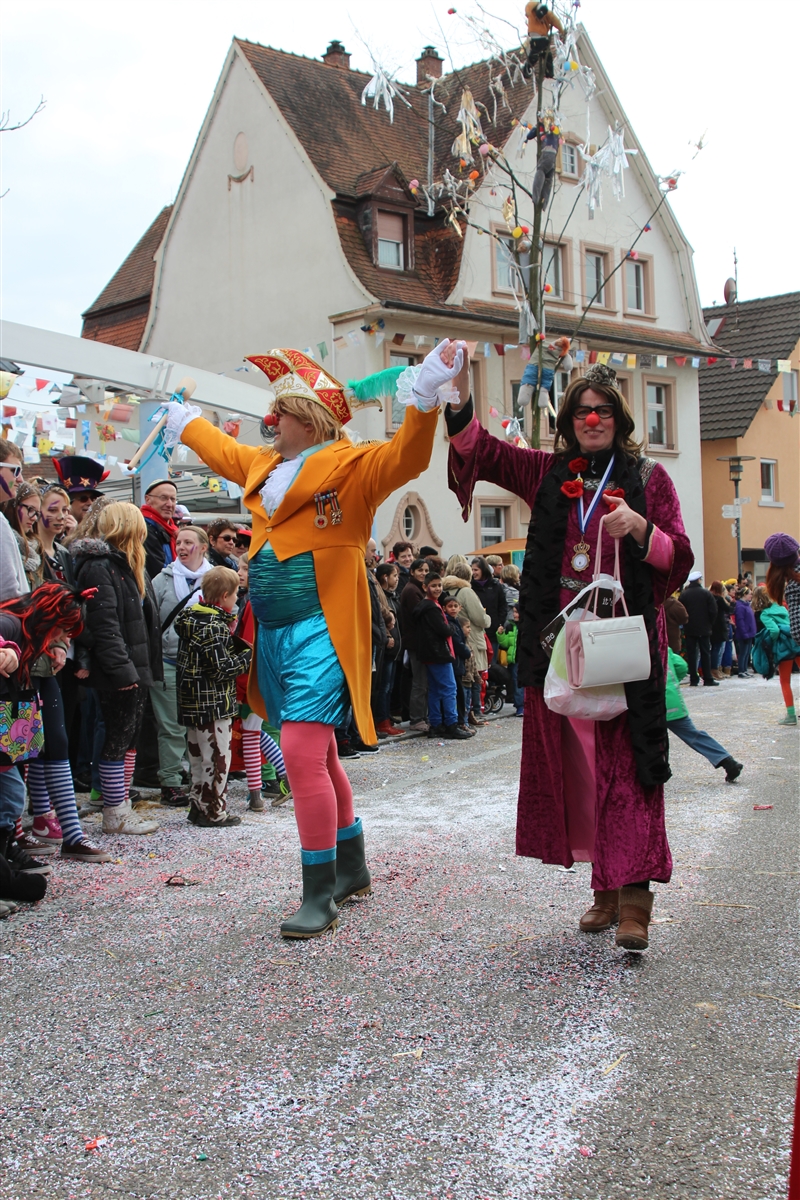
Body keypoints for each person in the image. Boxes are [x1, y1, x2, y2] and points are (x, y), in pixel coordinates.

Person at [163, 340, 464, 936]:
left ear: (310, 419)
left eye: (281, 412)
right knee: (320, 753)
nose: (270, 420)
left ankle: (318, 891)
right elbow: (225, 451)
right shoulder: (265, 465)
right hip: (274, 631)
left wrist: (425, 396)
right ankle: (351, 869)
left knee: (301, 753)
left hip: (324, 627)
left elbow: (407, 457)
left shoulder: (352, 465)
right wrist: (187, 423)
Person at [446, 361, 693, 951]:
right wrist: (457, 398)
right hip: (561, 647)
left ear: (618, 419)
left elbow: (680, 558)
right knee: (581, 768)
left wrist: (642, 529)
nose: (592, 420)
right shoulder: (548, 472)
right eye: (582, 411)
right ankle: (604, 891)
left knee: (628, 769)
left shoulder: (650, 477)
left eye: (602, 410)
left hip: (627, 646)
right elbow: (487, 452)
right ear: (569, 421)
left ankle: (635, 905)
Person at [0, 582, 110, 864]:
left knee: (45, 748)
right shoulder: (12, 623)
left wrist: (57, 643)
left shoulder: (35, 631)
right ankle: (11, 840)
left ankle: (68, 834)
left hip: (27, 684)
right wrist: (6, 650)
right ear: (49, 619)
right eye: (62, 630)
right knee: (13, 771)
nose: (64, 638)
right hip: (13, 694)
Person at [73, 502, 162, 836]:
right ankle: (114, 812)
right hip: (120, 670)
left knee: (128, 740)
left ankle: (122, 805)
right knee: (116, 740)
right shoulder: (101, 566)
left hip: (135, 666)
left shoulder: (127, 564)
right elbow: (104, 625)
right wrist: (123, 671)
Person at [174, 566, 252, 826]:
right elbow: (222, 669)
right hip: (214, 703)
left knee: (197, 758)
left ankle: (197, 805)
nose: (237, 599)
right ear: (225, 596)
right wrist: (248, 656)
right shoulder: (214, 626)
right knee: (217, 759)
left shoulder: (191, 618)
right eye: (235, 595)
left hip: (191, 701)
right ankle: (213, 811)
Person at [151, 525, 212, 807]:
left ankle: (196, 777)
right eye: (179, 542)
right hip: (168, 660)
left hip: (201, 665)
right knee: (171, 726)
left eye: (189, 542)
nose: (182, 547)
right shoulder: (162, 579)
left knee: (197, 725)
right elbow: (150, 618)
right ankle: (171, 782)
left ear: (203, 547)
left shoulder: (214, 578)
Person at [232, 554, 291, 810]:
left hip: (253, 679)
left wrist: (242, 683)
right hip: (266, 677)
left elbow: (249, 647)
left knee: (250, 733)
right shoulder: (273, 598)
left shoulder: (255, 602)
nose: (240, 573)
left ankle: (258, 792)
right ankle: (278, 780)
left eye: (245, 568)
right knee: (254, 732)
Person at [666, 649, 743, 781]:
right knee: (694, 735)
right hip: (673, 702)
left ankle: (655, 773)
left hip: (648, 705)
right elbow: (681, 666)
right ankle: (727, 761)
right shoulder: (663, 648)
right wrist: (671, 684)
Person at [413, 574, 471, 740]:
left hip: (429, 653)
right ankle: (451, 724)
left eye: (439, 585)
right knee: (449, 688)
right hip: (439, 653)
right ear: (425, 587)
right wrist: (452, 628)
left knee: (435, 690)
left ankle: (436, 724)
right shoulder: (432, 608)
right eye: (434, 585)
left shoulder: (424, 606)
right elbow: (443, 630)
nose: (438, 588)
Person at [441, 560, 491, 726]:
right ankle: (472, 713)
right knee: (473, 678)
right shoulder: (466, 592)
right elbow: (480, 618)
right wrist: (488, 619)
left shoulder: (445, 589)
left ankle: (462, 715)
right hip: (471, 639)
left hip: (455, 640)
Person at [762, 533, 800, 725]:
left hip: (786, 646)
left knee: (785, 680)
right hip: (794, 645)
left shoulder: (793, 586)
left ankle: (791, 715)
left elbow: (797, 629)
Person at [399, 557, 432, 732]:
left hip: (419, 641)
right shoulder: (412, 590)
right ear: (412, 572)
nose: (423, 573)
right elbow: (420, 615)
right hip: (416, 642)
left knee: (423, 681)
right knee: (419, 682)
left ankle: (422, 716)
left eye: (426, 571)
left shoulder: (418, 588)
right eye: (420, 570)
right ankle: (417, 718)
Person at [374, 561, 403, 737]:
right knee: (383, 686)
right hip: (386, 647)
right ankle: (381, 720)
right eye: (394, 576)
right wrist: (388, 636)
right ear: (385, 577)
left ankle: (386, 716)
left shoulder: (393, 596)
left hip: (395, 649)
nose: (397, 579)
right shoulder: (381, 595)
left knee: (389, 686)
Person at [1, 482, 43, 587]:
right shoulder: (3, 544)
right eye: (30, 509)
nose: (34, 518)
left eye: (37, 513)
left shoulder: (36, 548)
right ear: (13, 506)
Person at [443, 594, 474, 734]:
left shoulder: (456, 622)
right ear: (444, 608)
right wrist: (467, 653)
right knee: (458, 694)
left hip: (458, 664)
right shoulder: (451, 624)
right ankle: (460, 722)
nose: (453, 609)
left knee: (461, 694)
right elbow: (457, 643)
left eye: (455, 606)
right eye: (450, 606)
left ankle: (462, 721)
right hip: (455, 663)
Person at [680, 571, 718, 688]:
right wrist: (710, 623)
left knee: (692, 654)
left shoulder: (684, 595)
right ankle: (708, 678)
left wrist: (685, 623)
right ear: (699, 580)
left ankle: (693, 678)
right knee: (705, 653)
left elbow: (681, 610)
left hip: (689, 628)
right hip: (704, 628)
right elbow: (713, 610)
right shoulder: (706, 593)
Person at [52, 455, 107, 527]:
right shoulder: (56, 530)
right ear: (68, 501)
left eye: (93, 498)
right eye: (83, 499)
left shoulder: (98, 530)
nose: (90, 503)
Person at [142, 479, 180, 580]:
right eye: (163, 498)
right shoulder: (144, 530)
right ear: (148, 499)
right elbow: (158, 572)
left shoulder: (173, 530)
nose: (169, 504)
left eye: (173, 499)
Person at [470, 556, 507, 653]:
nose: (473, 573)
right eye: (472, 570)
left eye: (476, 570)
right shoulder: (470, 587)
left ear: (483, 570)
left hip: (493, 631)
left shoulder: (495, 585)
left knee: (492, 660)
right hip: (477, 631)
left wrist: (500, 624)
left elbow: (502, 606)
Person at [497, 604, 524, 715]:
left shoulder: (524, 627)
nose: (514, 614)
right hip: (513, 659)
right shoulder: (510, 626)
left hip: (522, 659)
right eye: (514, 612)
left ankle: (522, 705)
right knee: (516, 683)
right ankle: (520, 706)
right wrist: (500, 634)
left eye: (517, 612)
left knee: (520, 683)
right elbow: (505, 643)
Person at [709, 581, 732, 680]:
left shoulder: (709, 597)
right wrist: (730, 602)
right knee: (717, 649)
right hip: (719, 626)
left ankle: (714, 669)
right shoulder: (719, 599)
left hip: (711, 626)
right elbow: (729, 609)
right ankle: (714, 669)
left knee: (713, 649)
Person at [733, 587, 757, 678]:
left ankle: (745, 670)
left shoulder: (747, 605)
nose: (751, 596)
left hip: (750, 633)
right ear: (744, 595)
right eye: (750, 594)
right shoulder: (740, 606)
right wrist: (744, 633)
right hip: (744, 633)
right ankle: (741, 670)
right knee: (743, 652)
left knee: (747, 652)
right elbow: (740, 621)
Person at [664, 590, 688, 655]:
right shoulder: (674, 604)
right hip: (673, 639)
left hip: (657, 640)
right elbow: (684, 618)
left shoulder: (654, 604)